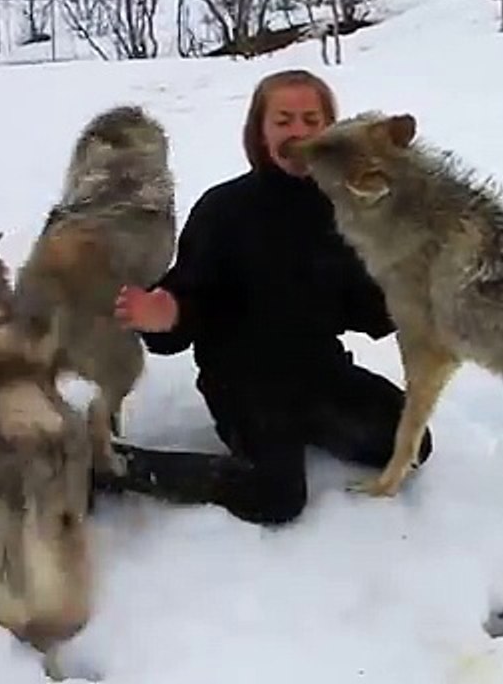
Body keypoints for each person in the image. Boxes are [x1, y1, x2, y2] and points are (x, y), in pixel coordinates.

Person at [94, 69, 432, 525]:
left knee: (411, 444)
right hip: (244, 380)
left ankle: (303, 426)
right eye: (284, 120)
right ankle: (111, 464)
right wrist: (165, 312)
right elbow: (190, 297)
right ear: (260, 132)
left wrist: (414, 282)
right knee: (276, 497)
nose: (299, 132)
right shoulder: (224, 209)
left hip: (319, 369)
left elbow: (368, 309)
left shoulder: (351, 211)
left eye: (311, 120)